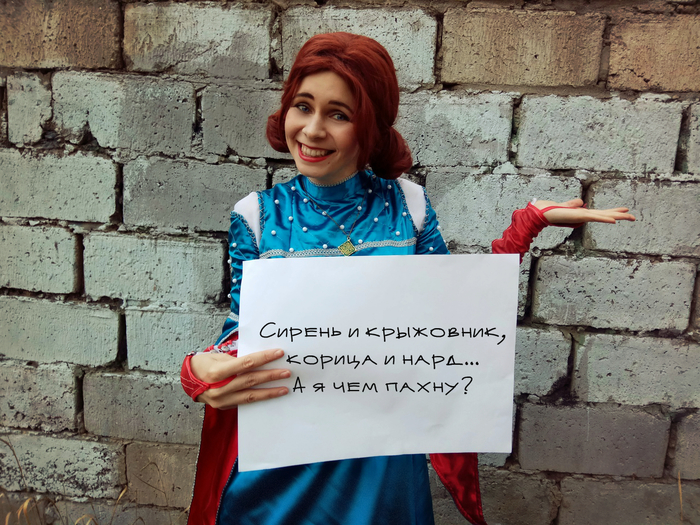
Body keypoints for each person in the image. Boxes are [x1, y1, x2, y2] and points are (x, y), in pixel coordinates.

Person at [180, 32, 635, 525]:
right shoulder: (255, 216)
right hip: (279, 467)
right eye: (302, 106)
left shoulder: (409, 206)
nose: (311, 130)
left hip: (381, 463)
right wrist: (197, 371)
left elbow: (454, 319)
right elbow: (240, 335)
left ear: (370, 125)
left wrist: (524, 229)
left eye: (338, 114)